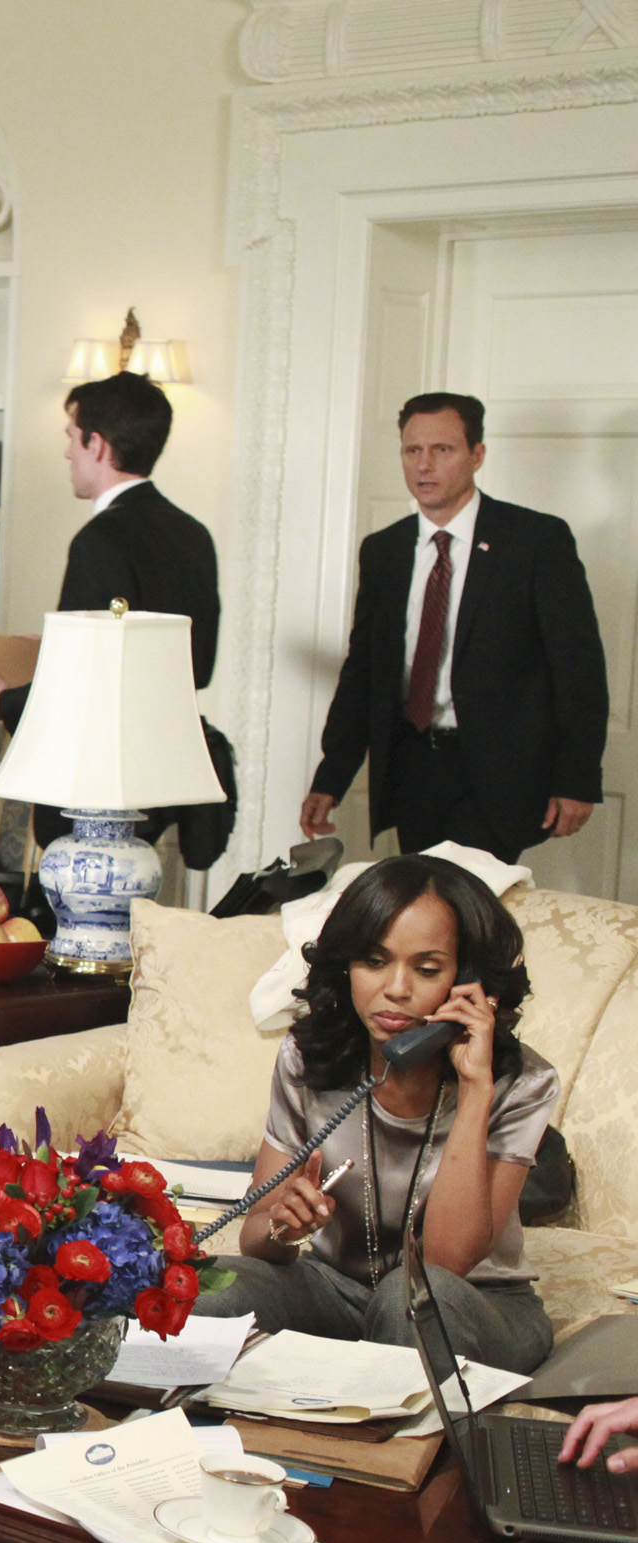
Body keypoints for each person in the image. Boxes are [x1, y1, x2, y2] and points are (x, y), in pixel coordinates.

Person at [195, 853, 556, 1374]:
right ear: (347, 966)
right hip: (337, 1288)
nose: (396, 989)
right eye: (374, 961)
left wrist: (476, 1087)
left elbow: (446, 1261)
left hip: (473, 1303)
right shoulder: (307, 1059)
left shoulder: (521, 1082)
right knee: (208, 1291)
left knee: (408, 1302)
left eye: (427, 969)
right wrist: (283, 1227)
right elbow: (255, 1239)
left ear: (469, 982)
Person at [300, 393, 607, 864]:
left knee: (463, 893)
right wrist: (331, 777)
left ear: (476, 455)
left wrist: (577, 778)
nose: (424, 465)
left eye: (442, 450)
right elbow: (363, 671)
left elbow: (578, 670)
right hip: (413, 768)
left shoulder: (535, 541)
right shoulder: (385, 551)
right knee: (425, 894)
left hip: (499, 773)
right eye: (412, 450)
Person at [0, 372, 219, 726]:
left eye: (72, 437)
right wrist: (57, 644)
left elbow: (81, 677)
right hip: (179, 739)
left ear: (96, 445)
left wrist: (1, 702)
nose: (68, 452)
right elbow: (197, 669)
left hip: (111, 743)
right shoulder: (194, 533)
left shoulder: (98, 539)